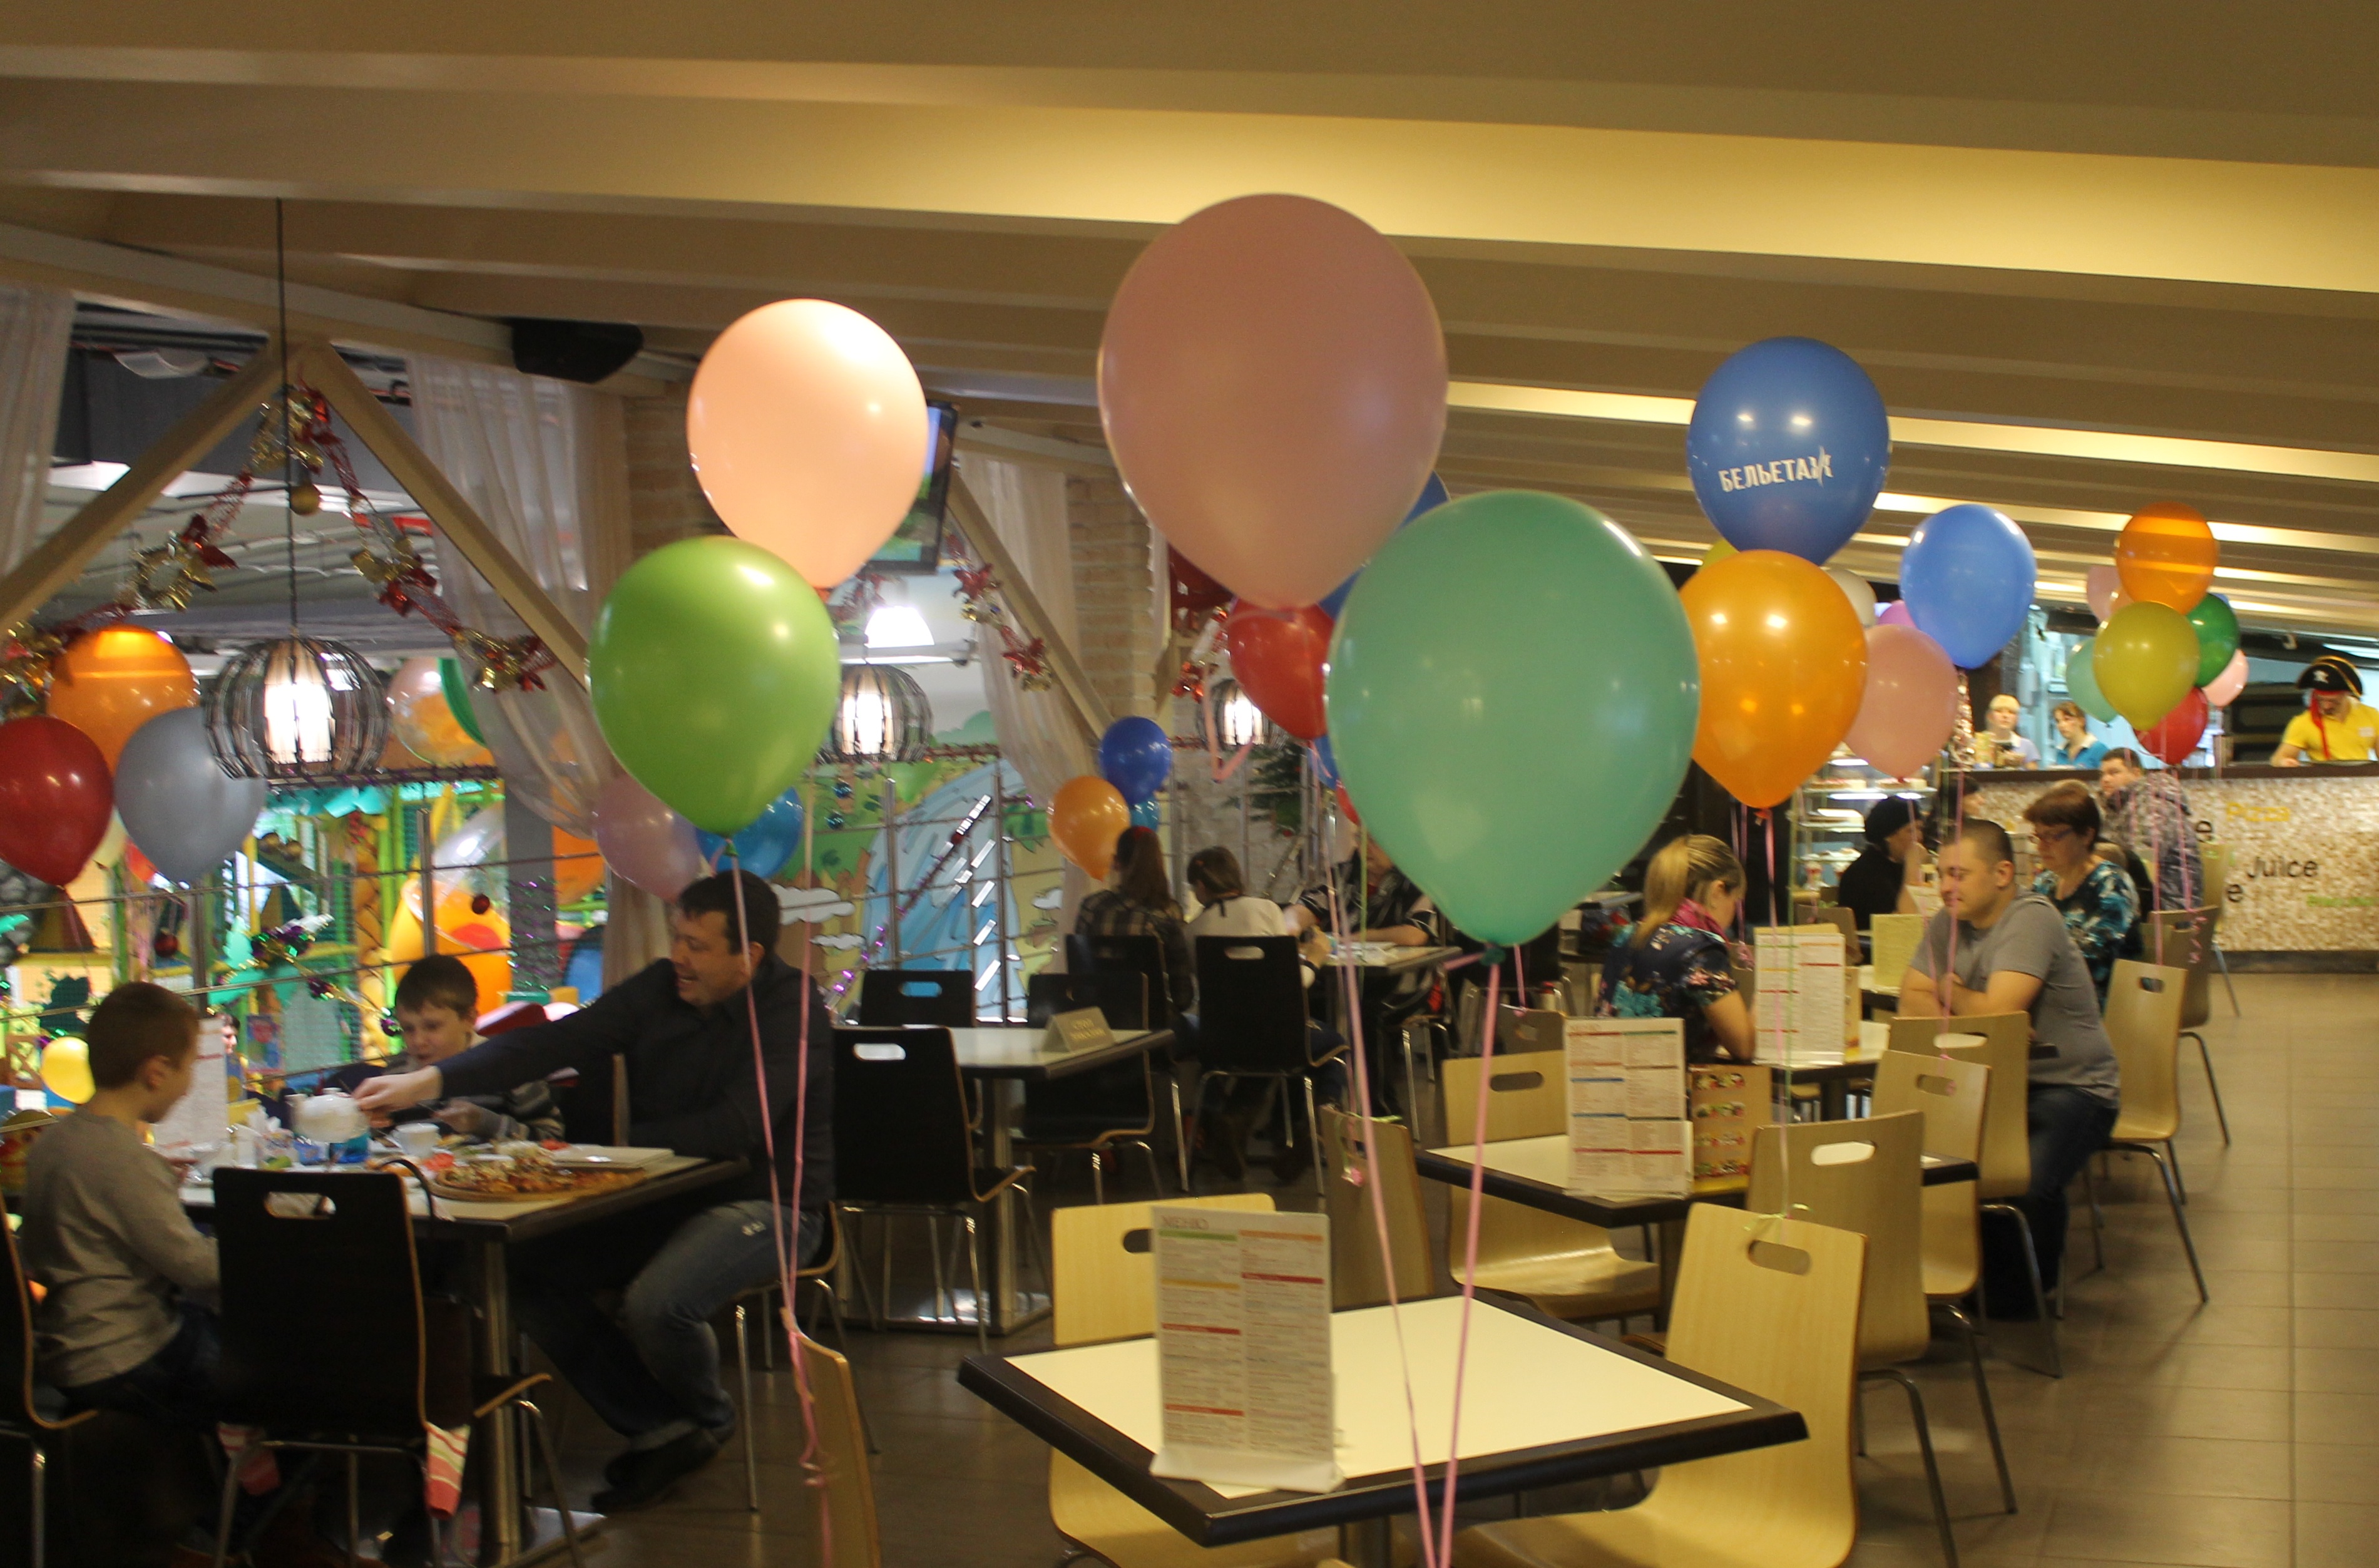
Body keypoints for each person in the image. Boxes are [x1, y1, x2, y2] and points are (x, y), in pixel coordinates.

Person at [357, 869, 833, 1510]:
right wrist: (427, 1081)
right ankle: (661, 1428)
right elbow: (554, 1041)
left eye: (695, 945)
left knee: (657, 1302)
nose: (678, 956)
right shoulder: (660, 988)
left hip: (771, 1203)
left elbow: (737, 1128)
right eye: (676, 938)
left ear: (747, 955)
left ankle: (707, 1420)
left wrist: (616, 1145)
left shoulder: (792, 1007)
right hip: (660, 1198)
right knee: (522, 1270)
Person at [1898, 819, 2121, 1317]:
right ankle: (1956, 1279)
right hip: (1988, 1083)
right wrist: (1975, 1014)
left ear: (2002, 874)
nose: (1946, 886)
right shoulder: (1948, 921)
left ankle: (2022, 1301)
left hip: (2071, 1086)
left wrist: (1949, 989)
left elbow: (1999, 1012)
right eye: (1941, 874)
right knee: (1916, 1158)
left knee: (2025, 1178)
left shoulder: (2030, 918)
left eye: (1959, 874)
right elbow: (1909, 998)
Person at [21, 983, 221, 1429]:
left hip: (64, 1349)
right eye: (190, 1067)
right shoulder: (127, 1160)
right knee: (269, 1367)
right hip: (125, 1355)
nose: (188, 1086)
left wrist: (151, 1183)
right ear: (157, 1071)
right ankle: (259, 1469)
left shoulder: (52, 1142)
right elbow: (197, 1268)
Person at [1180, 846, 1341, 1179]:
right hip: (1279, 1034)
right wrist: (1314, 959)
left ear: (1201, 887)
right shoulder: (1267, 910)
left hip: (1220, 1041)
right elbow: (1290, 985)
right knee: (1336, 1049)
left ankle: (1232, 1120)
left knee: (1256, 1052)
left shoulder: (1191, 931)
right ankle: (1320, 1131)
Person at [329, 953, 564, 1142]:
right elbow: (384, 1138)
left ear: (469, 1019)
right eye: (408, 1029)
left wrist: (485, 1123)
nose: (418, 1041)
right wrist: (369, 1125)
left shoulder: (508, 1066)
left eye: (432, 1026)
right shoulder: (399, 1070)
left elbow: (552, 1137)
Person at [1288, 835, 1441, 1112]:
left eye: (1374, 841)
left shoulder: (1419, 879)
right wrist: (1290, 925)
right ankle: (1306, 1114)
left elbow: (1415, 934)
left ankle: (1381, 1113)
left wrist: (1354, 937)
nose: (1364, 849)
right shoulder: (1342, 875)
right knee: (1300, 1008)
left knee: (1368, 1014)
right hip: (1338, 981)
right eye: (1360, 840)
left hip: (1402, 983)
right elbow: (1304, 908)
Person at [1595, 835, 1752, 1063]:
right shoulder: (1702, 950)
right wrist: (1772, 991)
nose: (1734, 912)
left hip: (1616, 1078)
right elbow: (1744, 1046)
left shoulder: (1627, 936)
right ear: (1718, 892)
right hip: (1673, 1083)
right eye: (1736, 899)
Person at [2023, 781, 2139, 1003]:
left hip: (2103, 1005)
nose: (2041, 846)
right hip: (2051, 996)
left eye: (2053, 836)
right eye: (2038, 836)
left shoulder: (2113, 884)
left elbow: (2092, 961)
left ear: (2086, 835)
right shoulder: (2045, 883)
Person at [1076, 825, 1195, 1017]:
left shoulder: (1090, 907)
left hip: (1100, 1020)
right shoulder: (1168, 912)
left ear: (1116, 862)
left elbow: (1079, 975)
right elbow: (1182, 996)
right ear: (1159, 863)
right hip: (1155, 1022)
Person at [2099, 749, 2206, 911]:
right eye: (2103, 774)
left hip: (2168, 902)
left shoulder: (2157, 803)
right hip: (2137, 894)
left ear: (2136, 773)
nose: (2106, 779)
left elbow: (2145, 856)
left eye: (2114, 773)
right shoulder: (2116, 806)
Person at [1833, 796, 1926, 930]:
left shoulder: (1897, 865)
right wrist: (1913, 867)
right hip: (1870, 942)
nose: (1919, 837)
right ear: (1889, 836)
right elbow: (1903, 925)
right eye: (1911, 830)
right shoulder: (1865, 874)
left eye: (1920, 829)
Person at [2272, 653, 2379, 765]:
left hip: (2362, 775)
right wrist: (2285, 762)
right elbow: (2279, 758)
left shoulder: (2371, 715)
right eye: (2321, 700)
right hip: (2323, 775)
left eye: (2332, 701)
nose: (2326, 706)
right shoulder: (2303, 723)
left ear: (2346, 694)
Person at [1980, 693, 2039, 768]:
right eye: (1999, 711)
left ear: (2017, 719)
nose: (2005, 716)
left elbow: (2034, 774)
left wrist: (2019, 764)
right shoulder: (1977, 743)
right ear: (1990, 716)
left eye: (2011, 712)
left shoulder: (2027, 745)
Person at [2047, 699, 2109, 769]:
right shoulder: (2060, 752)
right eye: (2058, 721)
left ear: (2082, 721)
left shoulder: (2098, 749)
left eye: (2067, 719)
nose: (2061, 725)